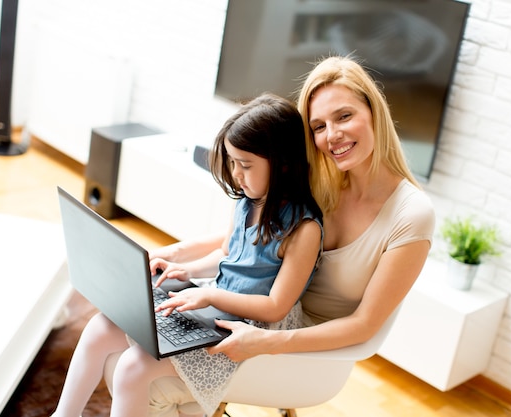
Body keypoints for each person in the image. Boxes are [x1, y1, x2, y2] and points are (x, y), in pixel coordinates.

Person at [142, 54, 436, 413]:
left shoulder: (411, 216)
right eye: (318, 126)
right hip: (258, 315)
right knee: (143, 333)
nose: (333, 135)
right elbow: (245, 241)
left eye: (344, 116)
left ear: (374, 111)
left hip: (311, 351)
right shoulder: (318, 180)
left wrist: (266, 341)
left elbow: (363, 325)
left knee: (148, 380)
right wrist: (174, 255)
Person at [50, 93, 323, 417]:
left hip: (248, 331)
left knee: (133, 369)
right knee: (100, 326)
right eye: (233, 163)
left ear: (283, 164)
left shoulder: (304, 230)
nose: (236, 174)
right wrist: (187, 269)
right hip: (217, 306)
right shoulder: (250, 200)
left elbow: (276, 307)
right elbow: (227, 252)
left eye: (245, 165)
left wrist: (208, 295)